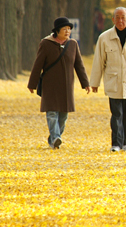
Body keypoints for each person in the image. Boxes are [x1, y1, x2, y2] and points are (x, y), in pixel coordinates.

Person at [90, 7, 126, 152]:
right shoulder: (104, 38)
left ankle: (125, 143)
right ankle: (116, 144)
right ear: (113, 20)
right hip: (113, 82)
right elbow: (98, 61)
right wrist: (95, 82)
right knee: (116, 114)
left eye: (123, 17)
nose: (120, 20)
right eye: (117, 17)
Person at [28, 17, 90, 149]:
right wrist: (32, 84)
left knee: (63, 116)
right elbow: (37, 64)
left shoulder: (72, 44)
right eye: (64, 29)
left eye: (69, 29)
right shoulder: (46, 43)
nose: (67, 31)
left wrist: (85, 83)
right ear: (57, 30)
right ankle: (56, 138)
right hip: (50, 85)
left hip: (66, 87)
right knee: (51, 113)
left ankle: (54, 139)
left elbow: (79, 65)